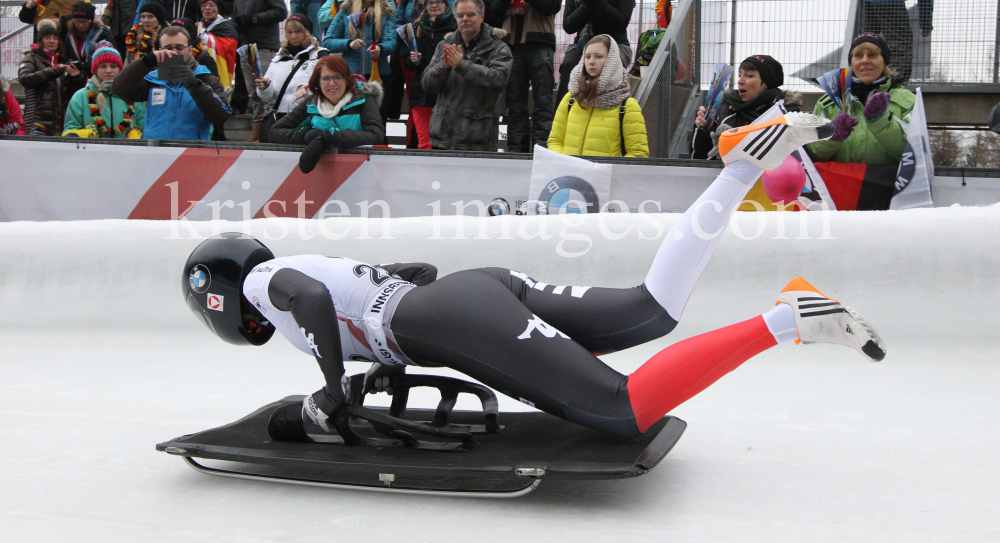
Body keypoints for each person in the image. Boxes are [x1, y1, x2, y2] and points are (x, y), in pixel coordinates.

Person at [182, 110, 886, 441]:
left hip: (446, 318)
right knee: (649, 310)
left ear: (220, 290)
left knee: (624, 408)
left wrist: (332, 390)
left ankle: (791, 318)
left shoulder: (263, 283)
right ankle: (736, 166)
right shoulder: (306, 260)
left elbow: (307, 302)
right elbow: (400, 275)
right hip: (461, 295)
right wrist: (375, 362)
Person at [490, 0, 562, 152]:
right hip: (512, 46)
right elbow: (493, 15)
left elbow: (552, 6)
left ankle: (542, 152)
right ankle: (516, 152)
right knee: (515, 104)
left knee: (543, 103)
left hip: (539, 44)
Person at [421, 0, 512, 151]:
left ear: (481, 16)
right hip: (442, 139)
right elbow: (427, 84)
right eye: (460, 15)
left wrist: (461, 65)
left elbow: (498, 81)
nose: (465, 19)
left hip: (477, 141)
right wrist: (444, 65)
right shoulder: (444, 45)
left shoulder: (499, 48)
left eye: (471, 14)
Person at [807, 33, 915, 165]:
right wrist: (831, 137)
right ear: (851, 62)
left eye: (872, 55)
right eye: (858, 55)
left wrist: (880, 122)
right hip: (841, 185)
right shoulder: (827, 103)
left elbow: (913, 155)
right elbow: (812, 157)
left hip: (892, 185)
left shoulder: (907, 101)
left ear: (884, 61)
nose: (864, 60)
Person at [269, 55, 385, 173]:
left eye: (337, 77)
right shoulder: (310, 103)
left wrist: (331, 137)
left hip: (360, 172)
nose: (331, 83)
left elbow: (376, 136)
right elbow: (276, 131)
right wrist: (309, 134)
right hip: (320, 176)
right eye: (325, 78)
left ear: (347, 79)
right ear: (317, 82)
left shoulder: (363, 99)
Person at [112, 25, 230, 141]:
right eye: (168, 48)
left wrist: (194, 84)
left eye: (179, 47)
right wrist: (145, 63)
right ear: (160, 50)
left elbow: (221, 116)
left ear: (190, 50)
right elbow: (119, 91)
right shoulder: (152, 79)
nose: (174, 52)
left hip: (190, 151)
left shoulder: (207, 79)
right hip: (154, 150)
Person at [548, 35, 647, 157]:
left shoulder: (627, 106)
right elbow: (555, 141)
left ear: (611, 61)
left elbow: (638, 153)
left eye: (599, 56)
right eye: (587, 56)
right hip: (571, 174)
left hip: (606, 175)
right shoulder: (571, 99)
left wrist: (608, 173)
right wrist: (567, 164)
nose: (591, 61)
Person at [692, 55, 803, 160]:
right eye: (740, 75)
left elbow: (795, 160)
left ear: (767, 83)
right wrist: (705, 129)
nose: (740, 81)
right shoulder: (725, 108)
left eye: (749, 75)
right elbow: (700, 159)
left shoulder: (785, 114)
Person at [231, 0, 288, 142]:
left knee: (265, 91)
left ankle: (268, 135)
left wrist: (253, 19)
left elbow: (281, 12)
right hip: (246, 47)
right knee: (253, 94)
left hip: (265, 46)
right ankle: (256, 135)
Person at [254, 14, 328, 142]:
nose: (293, 36)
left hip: (307, 117)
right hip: (280, 118)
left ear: (307, 32)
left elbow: (328, 87)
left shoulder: (320, 56)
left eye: (298, 31)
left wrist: (307, 88)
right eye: (290, 32)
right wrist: (265, 87)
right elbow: (267, 97)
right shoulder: (278, 58)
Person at [401, 0, 456, 149]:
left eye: (438, 2)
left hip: (447, 94)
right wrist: (412, 59)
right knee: (425, 144)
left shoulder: (456, 27)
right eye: (430, 2)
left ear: (445, 4)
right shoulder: (416, 28)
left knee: (447, 144)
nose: (434, 5)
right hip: (422, 94)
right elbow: (407, 64)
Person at [323, 0, 395, 82]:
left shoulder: (385, 14)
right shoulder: (345, 11)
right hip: (351, 74)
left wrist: (380, 48)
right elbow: (328, 41)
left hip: (379, 74)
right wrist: (349, 43)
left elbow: (391, 42)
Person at [62, 43, 144, 139]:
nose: (108, 70)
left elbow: (142, 128)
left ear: (120, 69)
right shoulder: (80, 96)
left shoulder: (133, 95)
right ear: (95, 70)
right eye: (103, 66)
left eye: (113, 66)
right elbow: (71, 128)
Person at [18, 19, 85, 135]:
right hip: (37, 123)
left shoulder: (65, 61)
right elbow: (25, 78)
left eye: (55, 38)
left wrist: (77, 79)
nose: (52, 41)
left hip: (62, 122)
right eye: (47, 38)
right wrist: (53, 71)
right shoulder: (31, 58)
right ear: (40, 41)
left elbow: (72, 93)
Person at [61, 1, 114, 78]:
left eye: (85, 22)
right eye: (77, 21)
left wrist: (83, 66)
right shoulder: (70, 36)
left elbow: (108, 57)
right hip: (76, 75)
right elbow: (66, 56)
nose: (80, 25)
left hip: (97, 75)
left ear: (92, 21)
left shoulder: (102, 34)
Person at [197, 0, 239, 90]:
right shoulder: (198, 26)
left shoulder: (227, 27)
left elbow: (229, 47)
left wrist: (202, 37)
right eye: (204, 5)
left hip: (219, 67)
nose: (207, 8)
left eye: (211, 5)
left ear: (218, 9)